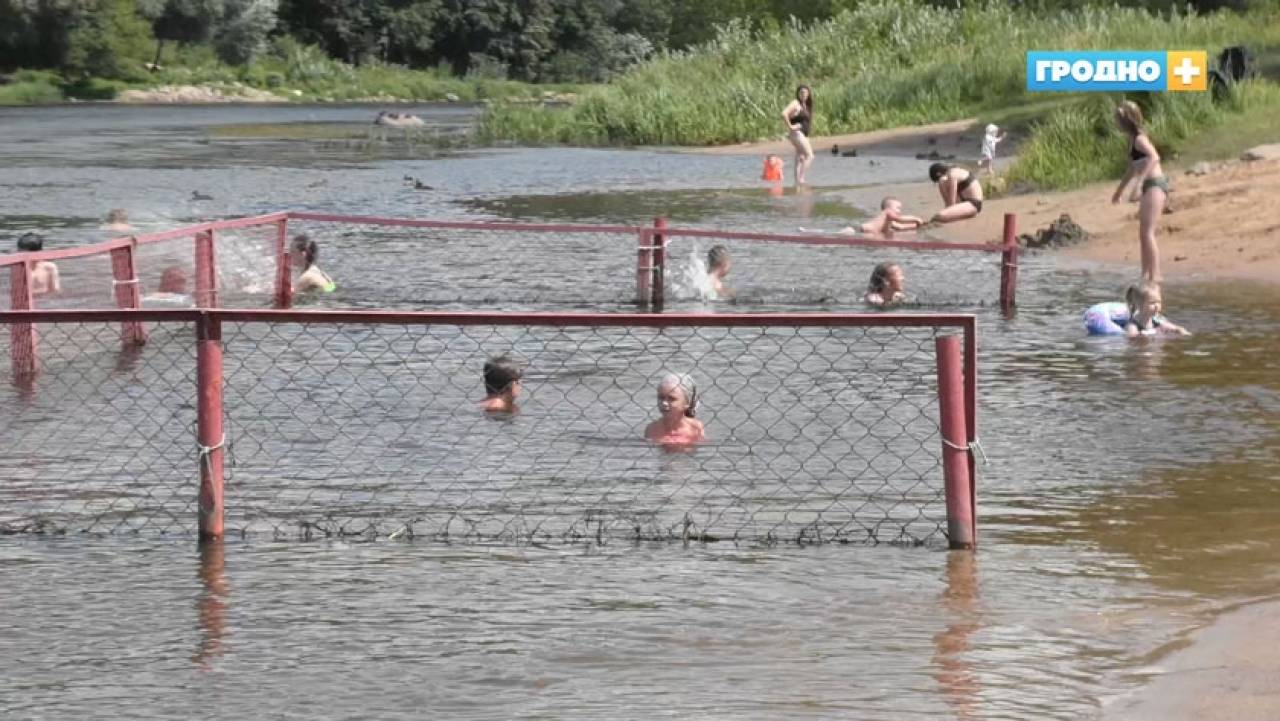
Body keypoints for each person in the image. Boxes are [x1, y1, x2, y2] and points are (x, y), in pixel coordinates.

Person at [1111, 100, 1168, 283]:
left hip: (1154, 184)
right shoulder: (1131, 141)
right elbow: (1131, 168)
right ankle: (1145, 274)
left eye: (1118, 119)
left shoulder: (1140, 139)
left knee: (1148, 232)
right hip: (1148, 185)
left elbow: (1154, 157)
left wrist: (1139, 182)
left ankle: (1156, 275)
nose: (1116, 123)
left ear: (1126, 120)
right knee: (1143, 232)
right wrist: (1119, 192)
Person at [644, 373, 706, 447]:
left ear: (687, 403)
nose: (664, 403)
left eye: (671, 399)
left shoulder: (695, 428)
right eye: (661, 397)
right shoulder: (651, 429)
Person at [1124, 281, 1189, 337]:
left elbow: (1176, 328)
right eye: (1152, 303)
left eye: (1159, 302)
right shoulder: (1133, 326)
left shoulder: (1156, 320)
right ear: (1139, 304)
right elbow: (1132, 337)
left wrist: (1182, 332)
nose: (1157, 306)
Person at [781, 85, 815, 186]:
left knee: (800, 157)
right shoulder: (796, 103)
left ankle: (797, 182)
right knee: (810, 156)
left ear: (808, 94)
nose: (803, 94)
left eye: (805, 92)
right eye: (801, 92)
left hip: (801, 135)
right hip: (796, 133)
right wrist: (791, 126)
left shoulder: (806, 105)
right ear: (798, 94)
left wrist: (807, 137)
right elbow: (784, 113)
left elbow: (806, 123)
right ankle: (801, 179)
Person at [841, 197, 926, 236]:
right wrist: (916, 219)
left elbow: (900, 227)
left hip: (861, 232)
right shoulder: (887, 212)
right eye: (897, 208)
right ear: (887, 208)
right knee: (839, 235)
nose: (899, 211)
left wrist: (917, 226)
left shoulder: (890, 221)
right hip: (857, 230)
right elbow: (900, 219)